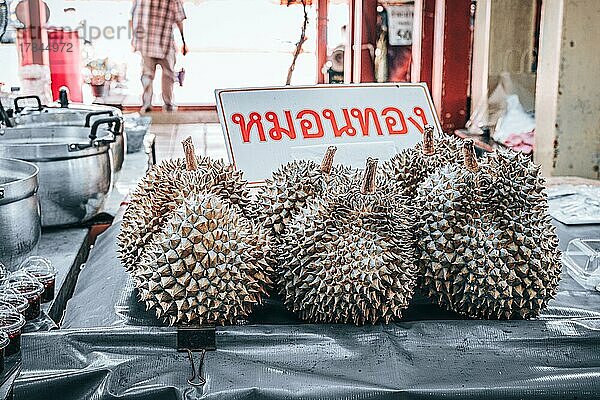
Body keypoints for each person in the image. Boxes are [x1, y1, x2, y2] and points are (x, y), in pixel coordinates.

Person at [131, 0, 188, 113]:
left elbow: (134, 16)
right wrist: (184, 41)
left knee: (147, 75)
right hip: (165, 43)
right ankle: (168, 105)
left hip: (146, 43)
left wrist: (134, 40)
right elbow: (179, 19)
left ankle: (146, 105)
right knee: (168, 75)